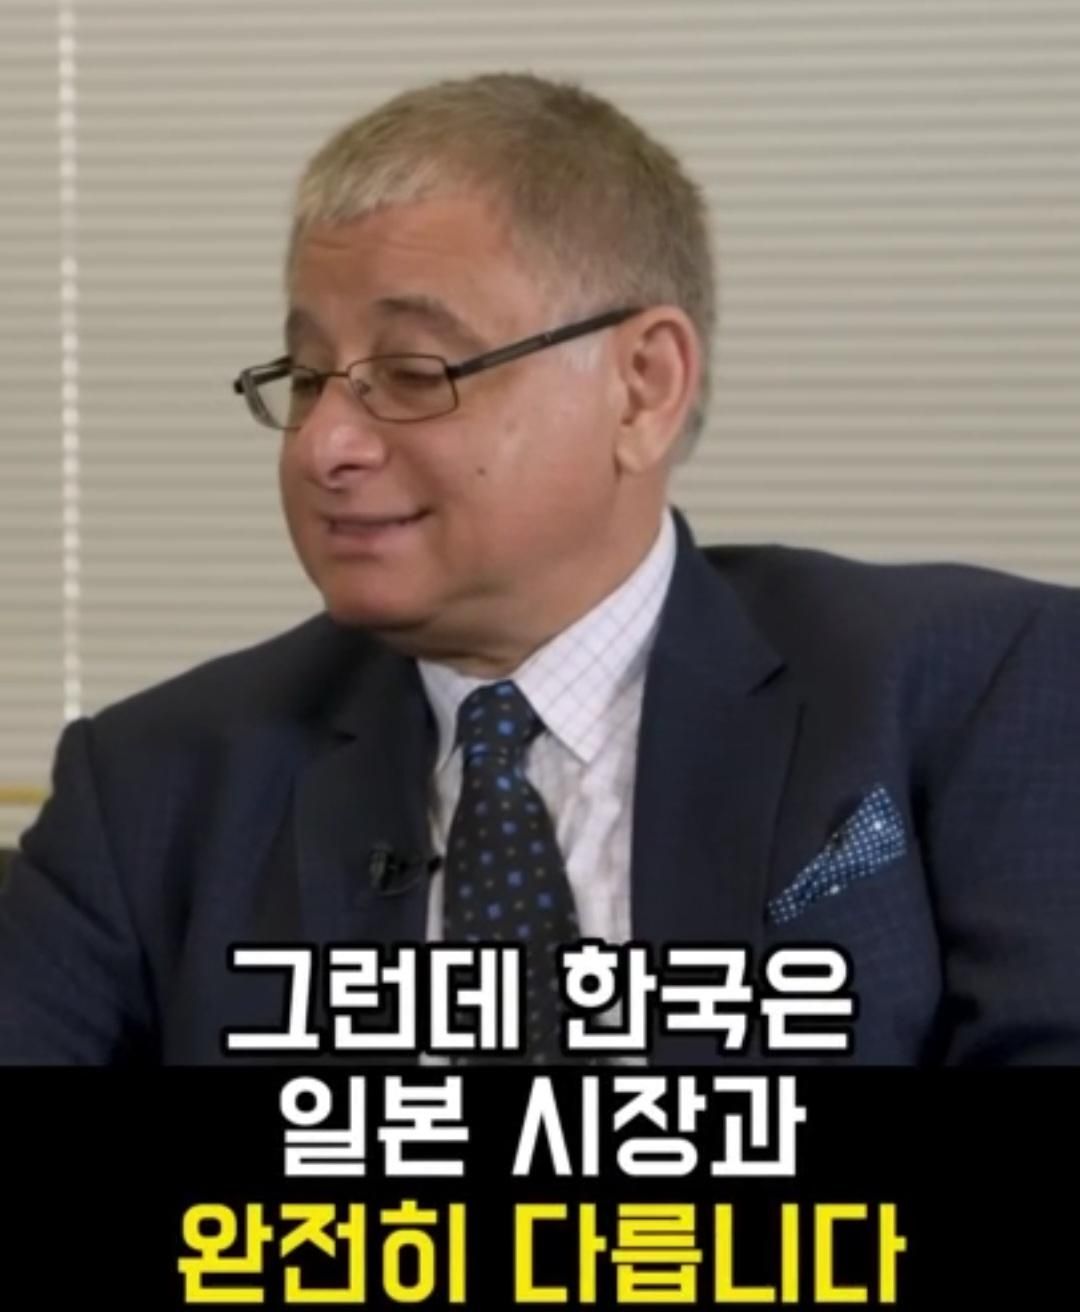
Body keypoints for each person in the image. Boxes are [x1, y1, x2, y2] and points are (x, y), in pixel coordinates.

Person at [1, 72, 1077, 1066]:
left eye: (413, 371)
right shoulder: (151, 784)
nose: (325, 445)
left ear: (642, 387)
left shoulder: (972, 686)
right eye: (309, 376)